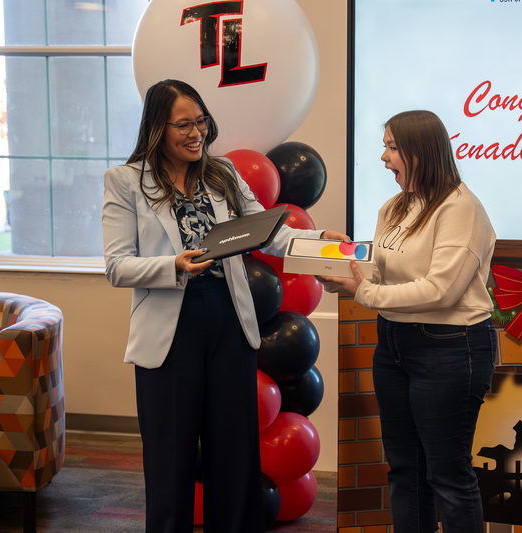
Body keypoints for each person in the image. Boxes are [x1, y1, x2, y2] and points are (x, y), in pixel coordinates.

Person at [101, 78, 348, 532]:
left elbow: (270, 232)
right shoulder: (125, 182)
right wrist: (173, 265)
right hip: (170, 332)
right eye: (183, 125)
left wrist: (322, 245)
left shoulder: (224, 174)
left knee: (234, 455)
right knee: (170, 457)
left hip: (230, 324)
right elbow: (117, 266)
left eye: (201, 122)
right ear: (157, 128)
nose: (196, 133)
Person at [320, 110, 497, 533]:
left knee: (448, 478)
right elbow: (380, 274)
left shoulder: (461, 208)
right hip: (394, 345)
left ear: (422, 151)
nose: (383, 157)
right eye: (385, 146)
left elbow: (441, 291)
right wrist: (339, 264)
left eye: (392, 147)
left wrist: (363, 292)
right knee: (404, 471)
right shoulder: (393, 208)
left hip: (452, 348)